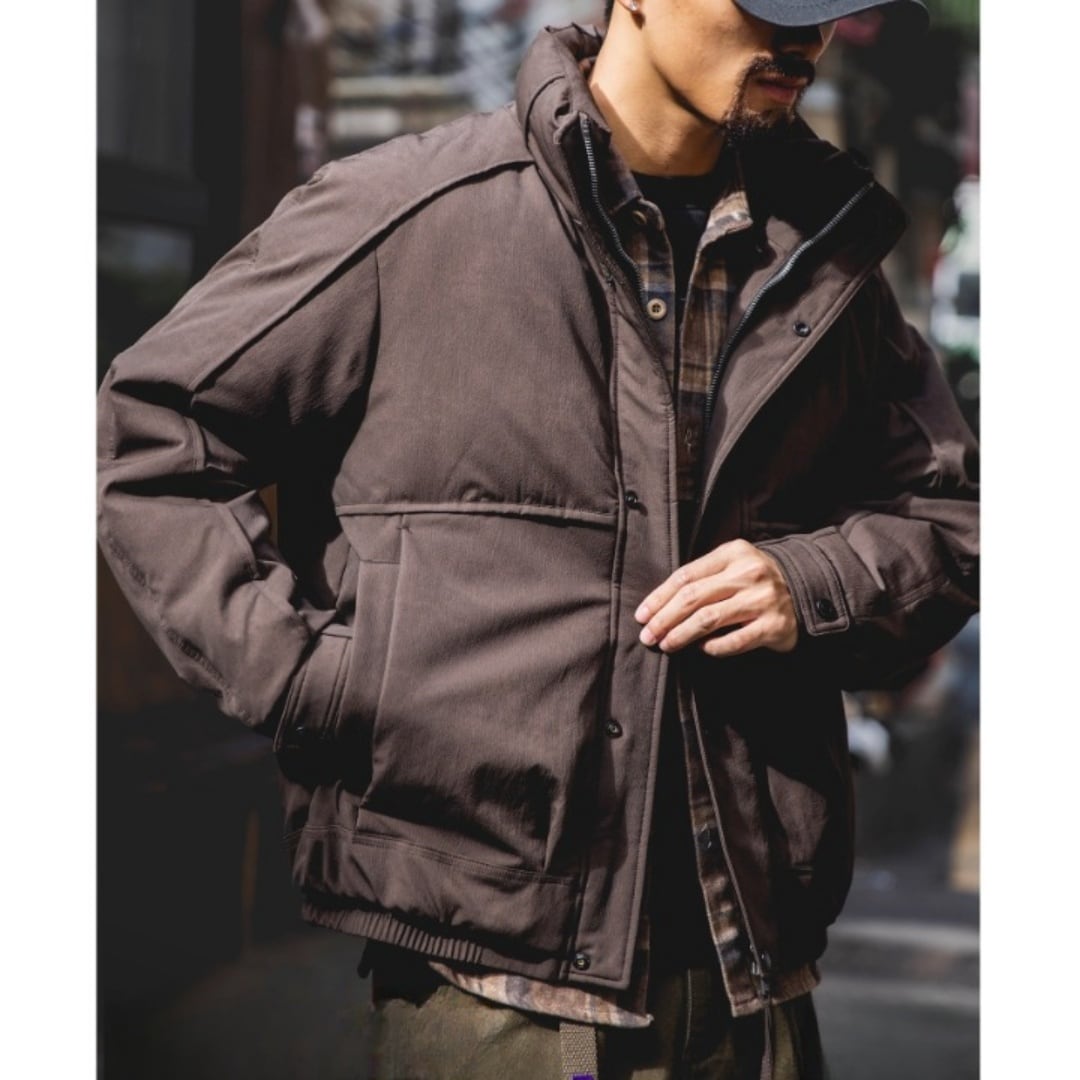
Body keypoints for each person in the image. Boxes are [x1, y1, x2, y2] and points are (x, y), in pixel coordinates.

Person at [96, 1, 978, 1077]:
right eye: (765, 3)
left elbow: (952, 512)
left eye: (826, 10)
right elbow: (156, 430)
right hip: (493, 992)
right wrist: (316, 684)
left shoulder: (823, 257)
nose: (805, 40)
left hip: (755, 983)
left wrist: (815, 580)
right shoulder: (413, 210)